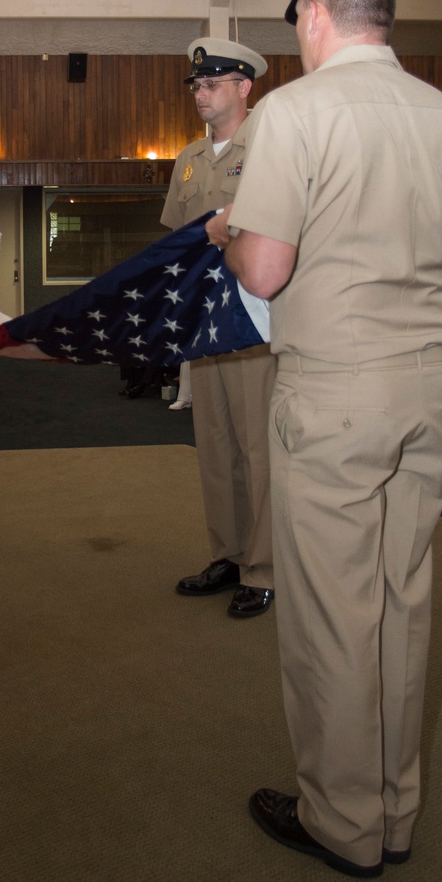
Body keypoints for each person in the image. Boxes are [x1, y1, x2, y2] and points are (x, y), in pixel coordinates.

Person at [224, 0, 442, 878]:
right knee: (402, 607)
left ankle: (340, 820)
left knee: (334, 614)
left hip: (334, 389)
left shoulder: (296, 112)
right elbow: (431, 241)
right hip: (426, 388)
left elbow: (267, 268)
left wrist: (231, 235)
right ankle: (394, 811)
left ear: (314, 13)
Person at [161, 37, 276, 621]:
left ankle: (263, 568)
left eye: (212, 84)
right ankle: (227, 555)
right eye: (196, 86)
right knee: (215, 445)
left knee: (258, 448)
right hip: (204, 321)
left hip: (253, 321)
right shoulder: (187, 159)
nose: (201, 94)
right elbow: (177, 243)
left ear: (243, 87)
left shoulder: (272, 149)